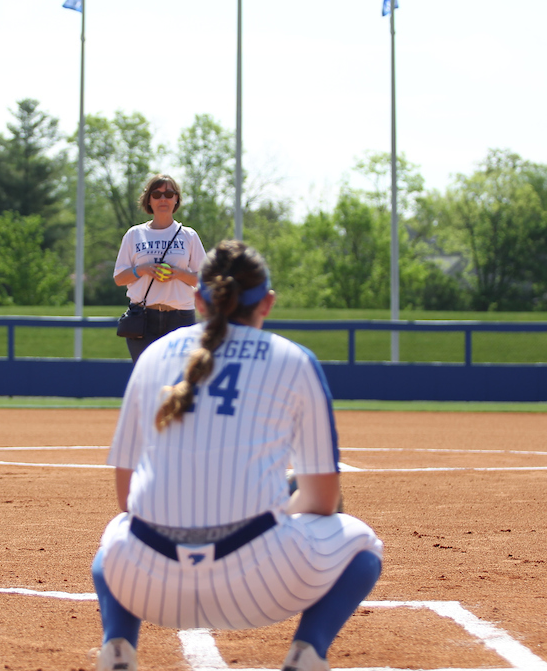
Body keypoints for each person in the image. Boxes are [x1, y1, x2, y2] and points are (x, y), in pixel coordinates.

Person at [92, 240, 383, 671]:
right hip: (260, 590)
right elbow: (323, 501)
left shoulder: (152, 355)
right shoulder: (295, 359)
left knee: (116, 532)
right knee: (365, 546)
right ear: (266, 303)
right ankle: (308, 652)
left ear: (197, 299)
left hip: (147, 587)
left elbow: (126, 497)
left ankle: (117, 645)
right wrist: (285, 497)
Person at [113, 174, 205, 362]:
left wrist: (178, 273)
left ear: (176, 199)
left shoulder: (188, 235)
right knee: (147, 381)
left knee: (178, 381)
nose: (163, 199)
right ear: (149, 199)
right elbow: (119, 278)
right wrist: (143, 269)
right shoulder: (134, 234)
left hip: (180, 317)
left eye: (169, 194)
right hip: (143, 318)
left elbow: (205, 280)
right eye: (157, 194)